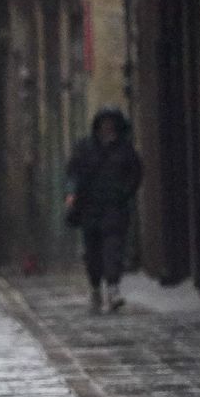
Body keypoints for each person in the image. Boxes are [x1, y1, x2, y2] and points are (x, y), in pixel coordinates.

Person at [65, 107, 144, 314]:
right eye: (104, 122)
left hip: (115, 208)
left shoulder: (125, 150)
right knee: (93, 253)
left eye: (111, 123)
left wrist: (124, 193)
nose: (108, 127)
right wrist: (72, 194)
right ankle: (95, 288)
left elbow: (136, 173)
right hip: (90, 209)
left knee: (113, 249)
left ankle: (113, 288)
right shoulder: (85, 148)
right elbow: (73, 172)